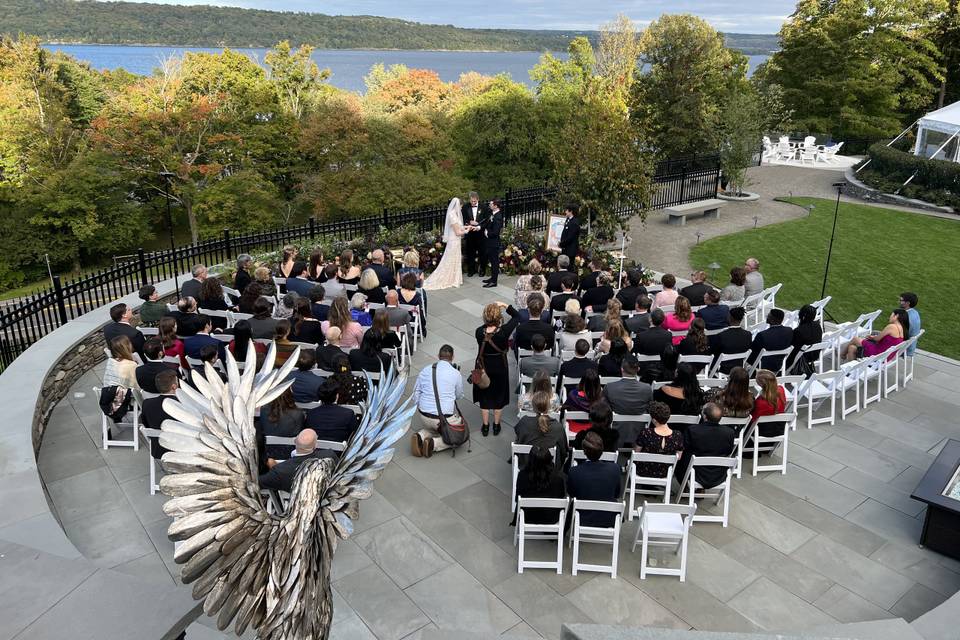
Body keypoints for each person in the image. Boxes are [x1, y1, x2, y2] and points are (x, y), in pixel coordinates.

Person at [473, 302, 520, 436]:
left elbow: (485, 328)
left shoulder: (478, 332)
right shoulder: (504, 332)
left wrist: (490, 312)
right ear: (498, 318)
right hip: (500, 367)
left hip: (482, 368)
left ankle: (485, 426)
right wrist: (505, 305)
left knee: (484, 396)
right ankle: (496, 425)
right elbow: (517, 317)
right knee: (499, 396)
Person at [411, 344, 464, 458]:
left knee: (433, 429)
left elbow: (415, 392)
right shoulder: (456, 373)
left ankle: (421, 436)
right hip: (443, 418)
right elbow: (459, 395)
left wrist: (421, 405)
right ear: (453, 357)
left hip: (424, 415)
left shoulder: (425, 370)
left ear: (438, 356)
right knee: (458, 436)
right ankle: (433, 444)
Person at [676, 403, 736, 489]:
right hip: (718, 474)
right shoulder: (729, 432)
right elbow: (729, 451)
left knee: (679, 458)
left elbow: (684, 449)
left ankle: (686, 487)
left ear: (704, 416)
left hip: (695, 472)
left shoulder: (693, 430)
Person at [567, 431, 622, 526]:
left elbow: (572, 494)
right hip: (609, 517)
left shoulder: (574, 471)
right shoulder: (615, 468)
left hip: (582, 517)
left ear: (584, 451)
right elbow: (617, 494)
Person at [259, 429, 337, 493]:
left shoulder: (280, 471)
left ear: (295, 441)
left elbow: (256, 483)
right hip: (324, 501)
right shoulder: (330, 456)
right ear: (315, 445)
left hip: (293, 505)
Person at [602, 354, 652, 446]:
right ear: (638, 370)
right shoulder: (647, 388)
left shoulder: (610, 387)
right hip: (638, 429)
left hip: (617, 428)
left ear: (621, 369)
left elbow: (604, 408)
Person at [513, 445, 567, 525]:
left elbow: (517, 497)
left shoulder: (522, 475)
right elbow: (561, 495)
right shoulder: (558, 478)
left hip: (527, 516)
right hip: (551, 517)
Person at [514, 391, 569, 467]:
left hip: (527, 465)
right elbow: (564, 451)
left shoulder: (524, 422)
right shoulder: (558, 427)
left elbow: (518, 436)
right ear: (548, 407)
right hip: (549, 467)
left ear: (533, 407)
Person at [633, 401, 684, 479]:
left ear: (654, 420)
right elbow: (678, 457)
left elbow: (636, 453)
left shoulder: (646, 433)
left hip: (643, 471)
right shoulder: (677, 435)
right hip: (664, 473)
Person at [843, 309, 909, 361]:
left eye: (891, 315)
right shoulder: (902, 328)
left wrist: (872, 337)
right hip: (886, 356)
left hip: (878, 353)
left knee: (855, 339)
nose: (889, 317)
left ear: (896, 316)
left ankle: (842, 354)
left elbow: (877, 339)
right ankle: (852, 372)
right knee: (852, 348)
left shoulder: (892, 326)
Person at [141, 368, 179, 459]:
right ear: (174, 387)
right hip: (179, 449)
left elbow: (146, 424)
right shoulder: (181, 405)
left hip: (158, 449)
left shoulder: (147, 404)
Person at [305, 378, 357, 443]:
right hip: (340, 452)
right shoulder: (348, 414)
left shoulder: (311, 414)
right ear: (337, 396)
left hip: (316, 449)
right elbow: (354, 435)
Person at [259, 388, 306, 459]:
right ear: (289, 394)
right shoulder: (298, 414)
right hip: (289, 453)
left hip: (268, 453)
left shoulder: (264, 411)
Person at [712, 307, 753, 373]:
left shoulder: (721, 336)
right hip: (739, 367)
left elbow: (713, 352)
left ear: (730, 317)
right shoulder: (748, 335)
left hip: (723, 369)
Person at [788, 304, 824, 372]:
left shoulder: (799, 331)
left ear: (803, 316)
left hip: (800, 358)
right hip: (813, 355)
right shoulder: (817, 325)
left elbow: (793, 351)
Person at [751, 369, 787, 437]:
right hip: (779, 429)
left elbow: (753, 419)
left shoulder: (760, 402)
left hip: (762, 431)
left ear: (760, 384)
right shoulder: (781, 389)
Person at [462, 191, 487, 277]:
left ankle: (482, 270)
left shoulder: (484, 207)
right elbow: (463, 219)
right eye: (471, 201)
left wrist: (479, 226)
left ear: (478, 199)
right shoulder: (465, 207)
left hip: (480, 234)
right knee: (470, 253)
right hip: (470, 234)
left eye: (474, 201)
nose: (473, 203)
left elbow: (486, 221)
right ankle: (471, 270)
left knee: (482, 253)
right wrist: (469, 222)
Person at [481, 199, 504, 288]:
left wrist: (487, 233)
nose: (489, 205)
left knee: (494, 262)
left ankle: (494, 281)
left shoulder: (498, 217)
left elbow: (495, 232)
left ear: (495, 206)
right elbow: (487, 223)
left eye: (491, 204)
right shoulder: (492, 214)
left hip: (494, 243)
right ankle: (492, 278)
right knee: (492, 260)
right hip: (490, 242)